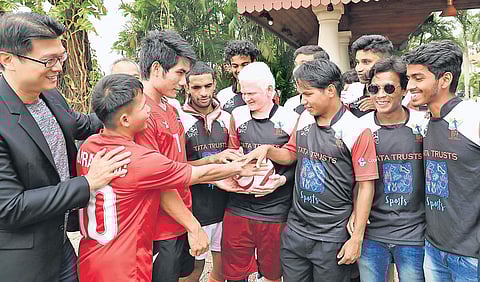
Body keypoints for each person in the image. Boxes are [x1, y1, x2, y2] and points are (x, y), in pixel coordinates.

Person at [77, 73, 265, 282]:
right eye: (142, 107)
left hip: (90, 258)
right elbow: (196, 174)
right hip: (125, 266)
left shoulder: (88, 147)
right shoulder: (137, 158)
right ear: (125, 119)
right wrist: (238, 168)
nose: (149, 109)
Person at [0, 12, 130, 282]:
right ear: (7, 59)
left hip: (60, 245)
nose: (58, 67)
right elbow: (10, 207)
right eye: (48, 60)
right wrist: (88, 183)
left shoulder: (49, 95)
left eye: (61, 58)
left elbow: (81, 124)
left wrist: (130, 107)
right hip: (23, 262)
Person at [241, 59, 378, 282]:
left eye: (308, 94)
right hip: (296, 229)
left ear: (331, 90)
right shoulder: (304, 119)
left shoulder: (356, 130)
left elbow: (366, 185)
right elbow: (291, 154)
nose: (303, 101)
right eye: (301, 94)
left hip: (332, 234)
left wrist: (357, 238)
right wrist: (267, 150)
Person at [134, 29, 208, 282]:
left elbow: (177, 166)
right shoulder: (140, 113)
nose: (184, 81)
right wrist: (193, 226)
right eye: (180, 73)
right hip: (157, 227)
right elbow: (157, 180)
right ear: (157, 69)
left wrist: (216, 163)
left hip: (179, 218)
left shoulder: (170, 107)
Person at [404, 40, 480, 282]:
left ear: (445, 80)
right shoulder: (424, 122)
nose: (410, 86)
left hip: (470, 257)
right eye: (409, 78)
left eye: (418, 78)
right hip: (434, 250)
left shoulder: (472, 117)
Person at [223, 62, 296, 282]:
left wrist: (282, 180)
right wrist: (229, 174)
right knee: (235, 273)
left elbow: (297, 161)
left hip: (275, 210)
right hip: (238, 206)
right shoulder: (237, 114)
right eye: (243, 92)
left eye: (252, 93)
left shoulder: (290, 119)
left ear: (270, 90)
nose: (246, 97)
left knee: (273, 273)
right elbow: (232, 151)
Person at [355, 56, 427, 282]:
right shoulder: (360, 127)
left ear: (404, 90)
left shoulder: (423, 124)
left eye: (388, 88)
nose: (380, 95)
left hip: (414, 232)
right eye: (374, 88)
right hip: (372, 233)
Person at [180, 62, 243, 282]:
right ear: (186, 87)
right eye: (196, 87)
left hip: (226, 206)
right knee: (192, 272)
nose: (203, 92)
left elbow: (236, 159)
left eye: (208, 85)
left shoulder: (228, 118)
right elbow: (176, 168)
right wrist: (212, 160)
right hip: (195, 209)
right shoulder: (179, 119)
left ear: (215, 84)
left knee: (223, 269)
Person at [345, 35, 393, 118]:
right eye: (357, 62)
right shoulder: (353, 91)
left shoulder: (400, 95)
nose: (358, 69)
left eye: (366, 62)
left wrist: (384, 107)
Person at [284, 45, 330, 114]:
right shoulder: (291, 104)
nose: (297, 70)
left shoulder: (334, 103)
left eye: (303, 64)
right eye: (296, 64)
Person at [217, 40, 259, 113]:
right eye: (235, 66)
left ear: (254, 62)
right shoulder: (223, 96)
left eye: (245, 65)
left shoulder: (266, 92)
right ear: (230, 66)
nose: (240, 70)